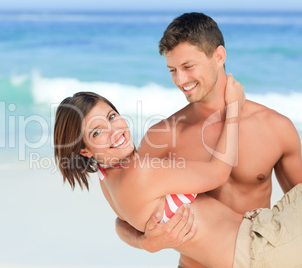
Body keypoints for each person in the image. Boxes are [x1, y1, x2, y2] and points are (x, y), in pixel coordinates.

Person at [114, 12, 302, 267]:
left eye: (188, 67)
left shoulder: (275, 128)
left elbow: (297, 213)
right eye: (172, 70)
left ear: (219, 56)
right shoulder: (163, 136)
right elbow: (122, 217)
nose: (180, 81)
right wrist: (143, 242)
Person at [53, 85, 302, 267]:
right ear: (84, 149)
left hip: (256, 238)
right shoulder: (141, 172)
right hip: (257, 252)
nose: (114, 130)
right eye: (97, 132)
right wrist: (234, 109)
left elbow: (121, 223)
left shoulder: (107, 180)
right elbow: (217, 173)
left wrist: (144, 243)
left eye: (111, 117)